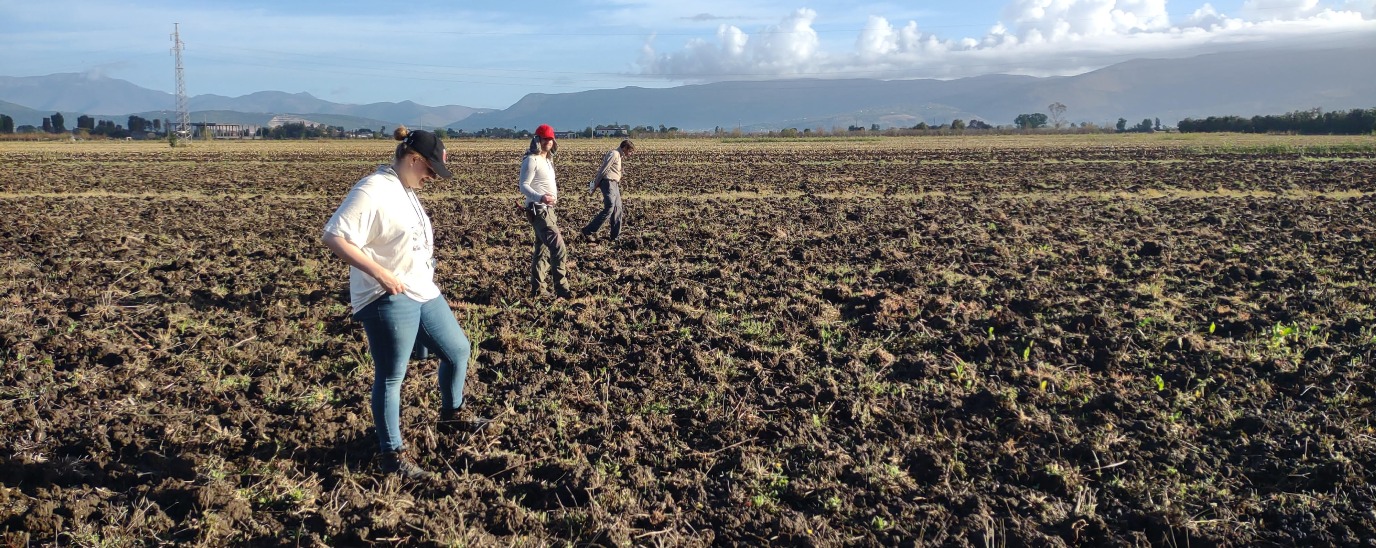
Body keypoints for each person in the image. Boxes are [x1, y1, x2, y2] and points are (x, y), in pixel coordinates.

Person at [322, 126, 488, 480]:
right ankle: (392, 455)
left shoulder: (404, 187)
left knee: (458, 350)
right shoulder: (373, 190)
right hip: (388, 295)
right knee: (392, 374)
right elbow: (334, 236)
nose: (431, 178)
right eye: (429, 170)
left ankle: (452, 414)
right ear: (413, 160)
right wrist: (379, 273)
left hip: (421, 288)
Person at [518, 124, 572, 298]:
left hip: (548, 211)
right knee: (559, 248)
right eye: (545, 138)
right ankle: (562, 290)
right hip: (539, 210)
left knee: (542, 251)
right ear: (537, 140)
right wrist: (540, 197)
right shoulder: (531, 160)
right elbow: (523, 186)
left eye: (550, 139)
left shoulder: (547, 160)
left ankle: (538, 290)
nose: (548, 142)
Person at [581, 139, 635, 241]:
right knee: (610, 207)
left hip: (614, 184)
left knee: (618, 208)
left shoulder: (619, 156)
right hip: (608, 182)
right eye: (630, 151)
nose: (631, 154)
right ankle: (588, 231)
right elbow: (604, 169)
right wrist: (595, 184)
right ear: (625, 148)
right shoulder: (614, 153)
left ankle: (615, 236)